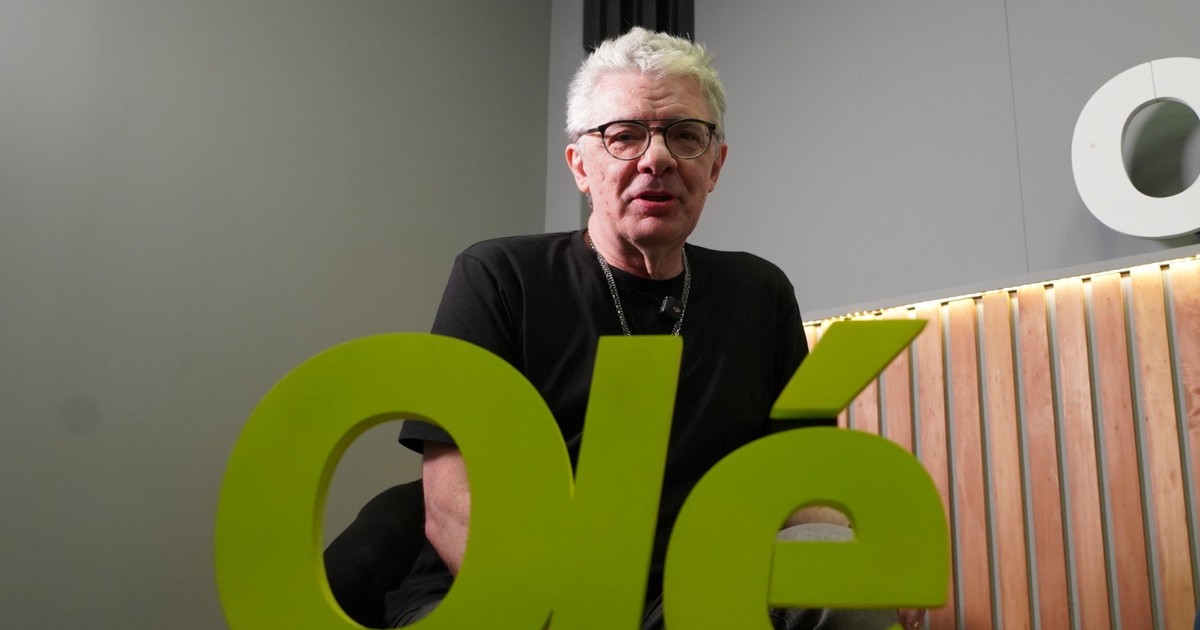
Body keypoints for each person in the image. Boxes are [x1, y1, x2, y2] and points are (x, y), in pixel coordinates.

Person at [385, 27, 919, 630]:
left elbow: (800, 488)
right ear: (580, 165)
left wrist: (860, 568)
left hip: (697, 596)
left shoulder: (759, 293)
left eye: (685, 135)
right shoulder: (500, 276)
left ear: (714, 166)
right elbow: (454, 505)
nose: (657, 158)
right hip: (505, 597)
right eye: (624, 135)